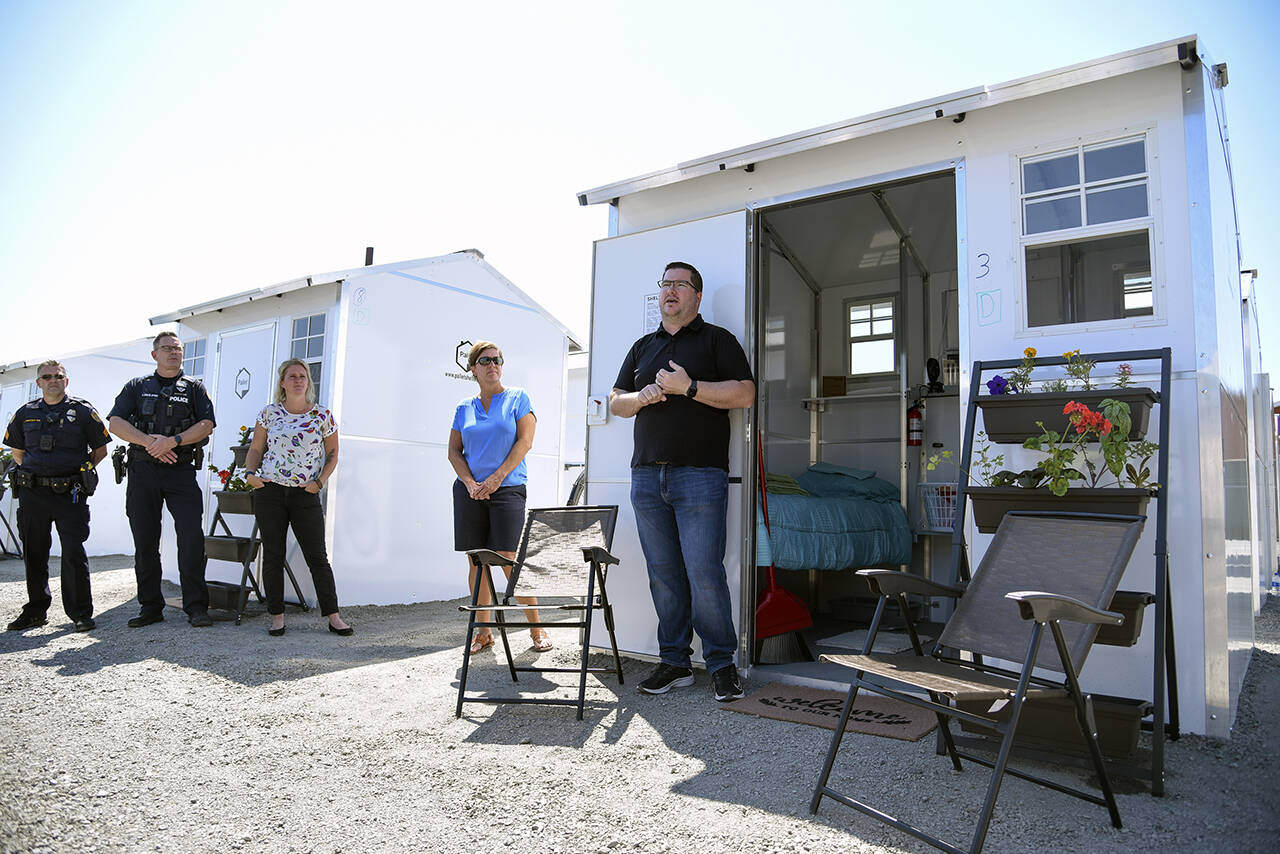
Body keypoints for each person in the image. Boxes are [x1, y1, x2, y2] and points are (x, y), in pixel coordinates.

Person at [609, 261, 755, 702]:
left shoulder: (717, 340)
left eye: (680, 285)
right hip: (647, 476)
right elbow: (616, 402)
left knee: (704, 573)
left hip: (700, 475)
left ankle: (721, 665)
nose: (670, 291)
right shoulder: (642, 347)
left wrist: (688, 387)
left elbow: (745, 394)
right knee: (664, 574)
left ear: (696, 295)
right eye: (665, 284)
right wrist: (642, 396)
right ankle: (675, 662)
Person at [448, 340, 551, 654]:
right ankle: (483, 632)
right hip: (470, 492)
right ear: (474, 369)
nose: (493, 364)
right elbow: (453, 451)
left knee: (507, 559)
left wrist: (495, 479)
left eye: (497, 359)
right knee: (477, 563)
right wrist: (469, 482)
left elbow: (525, 442)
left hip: (507, 489)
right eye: (485, 360)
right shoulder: (464, 407)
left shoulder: (518, 398)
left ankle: (537, 630)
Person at [108, 332, 215, 628]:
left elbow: (206, 425)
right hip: (143, 471)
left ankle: (196, 607)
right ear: (154, 354)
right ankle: (150, 607)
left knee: (191, 538)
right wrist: (149, 442)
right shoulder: (137, 386)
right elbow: (116, 422)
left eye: (178, 349)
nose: (174, 353)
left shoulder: (194, 388)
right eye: (167, 348)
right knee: (145, 541)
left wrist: (173, 441)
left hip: (180, 471)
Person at [243, 359, 351, 637]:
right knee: (273, 555)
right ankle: (277, 616)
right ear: (282, 382)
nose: (298, 380)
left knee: (317, 557)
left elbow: (333, 454)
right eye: (292, 376)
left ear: (308, 382)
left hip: (306, 493)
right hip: (270, 492)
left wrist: (319, 482)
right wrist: (250, 473)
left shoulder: (322, 416)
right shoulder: (269, 414)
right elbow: (255, 448)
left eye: (303, 376)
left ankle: (334, 616)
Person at [3, 361, 111, 632]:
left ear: (66, 381)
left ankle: (80, 613)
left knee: (74, 552)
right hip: (33, 492)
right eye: (47, 377)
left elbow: (100, 451)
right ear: (38, 383)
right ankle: (36, 611)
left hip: (70, 493)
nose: (53, 380)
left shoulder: (83, 411)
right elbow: (18, 452)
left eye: (58, 376)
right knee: (34, 552)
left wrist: (73, 472)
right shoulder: (24, 413)